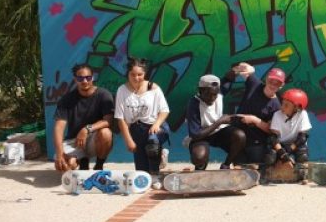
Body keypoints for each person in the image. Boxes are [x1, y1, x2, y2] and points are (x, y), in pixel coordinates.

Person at [114, 58, 171, 187]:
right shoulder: (122, 90)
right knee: (142, 173)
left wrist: (156, 124)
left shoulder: (153, 88)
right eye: (133, 74)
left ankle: (156, 175)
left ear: (144, 74)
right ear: (128, 74)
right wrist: (128, 139)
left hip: (156, 126)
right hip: (136, 130)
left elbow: (164, 111)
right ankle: (160, 156)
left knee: (152, 143)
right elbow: (120, 118)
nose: (136, 78)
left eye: (140, 74)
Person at [53, 63, 114, 172]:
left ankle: (99, 166)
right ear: (75, 80)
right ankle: (82, 161)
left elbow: (108, 121)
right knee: (63, 167)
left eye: (88, 77)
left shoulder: (104, 95)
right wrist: (59, 154)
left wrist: (86, 129)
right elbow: (59, 128)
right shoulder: (67, 99)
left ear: (93, 77)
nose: (84, 81)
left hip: (94, 140)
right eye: (80, 78)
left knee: (106, 133)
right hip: (74, 141)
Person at [225, 62, 284, 169]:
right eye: (271, 80)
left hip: (256, 143)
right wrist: (251, 69)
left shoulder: (276, 106)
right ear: (266, 79)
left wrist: (254, 120)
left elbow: (271, 129)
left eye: (277, 83)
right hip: (237, 136)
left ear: (281, 86)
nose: (273, 84)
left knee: (253, 170)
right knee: (239, 168)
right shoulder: (254, 84)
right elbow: (242, 66)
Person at [184, 72, 246, 170]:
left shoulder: (219, 93)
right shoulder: (194, 104)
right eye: (208, 94)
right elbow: (195, 135)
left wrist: (233, 72)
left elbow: (227, 79)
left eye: (215, 95)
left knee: (240, 136)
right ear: (200, 90)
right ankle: (201, 165)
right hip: (202, 136)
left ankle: (226, 165)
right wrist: (219, 122)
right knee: (199, 157)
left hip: (218, 132)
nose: (212, 98)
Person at [266, 88, 313, 169]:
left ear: (297, 108)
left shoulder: (302, 114)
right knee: (270, 157)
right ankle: (270, 173)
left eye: (286, 105)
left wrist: (288, 151)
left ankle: (301, 173)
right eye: (282, 103)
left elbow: (302, 138)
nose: (282, 107)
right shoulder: (277, 115)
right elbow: (273, 138)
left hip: (296, 144)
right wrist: (282, 153)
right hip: (281, 145)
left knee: (303, 156)